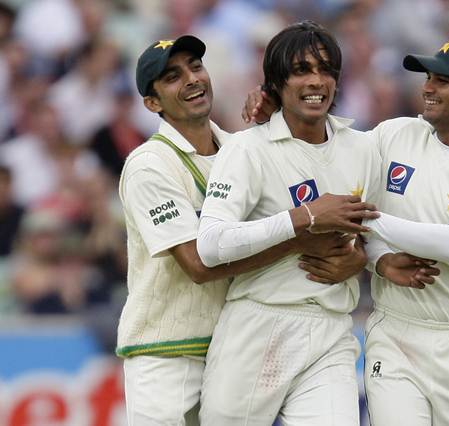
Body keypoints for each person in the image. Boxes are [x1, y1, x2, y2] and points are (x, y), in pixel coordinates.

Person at [244, 37, 449, 425]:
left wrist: (359, 216)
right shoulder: (394, 135)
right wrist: (278, 109)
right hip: (393, 332)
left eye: (443, 81)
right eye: (428, 77)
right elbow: (326, 157)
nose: (427, 88)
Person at [117, 34, 373, 425]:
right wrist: (301, 235)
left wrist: (358, 259)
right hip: (167, 350)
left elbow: (285, 172)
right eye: (172, 77)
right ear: (152, 104)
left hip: (229, 337)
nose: (191, 80)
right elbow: (199, 264)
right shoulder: (150, 165)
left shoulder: (236, 145)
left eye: (196, 67)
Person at [196, 21, 439, 425]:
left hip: (330, 331)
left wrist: (370, 261)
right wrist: (304, 218)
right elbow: (211, 244)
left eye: (326, 70)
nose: (317, 81)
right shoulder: (246, 149)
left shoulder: (361, 148)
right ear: (274, 83)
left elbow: (371, 230)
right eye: (302, 69)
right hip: (256, 326)